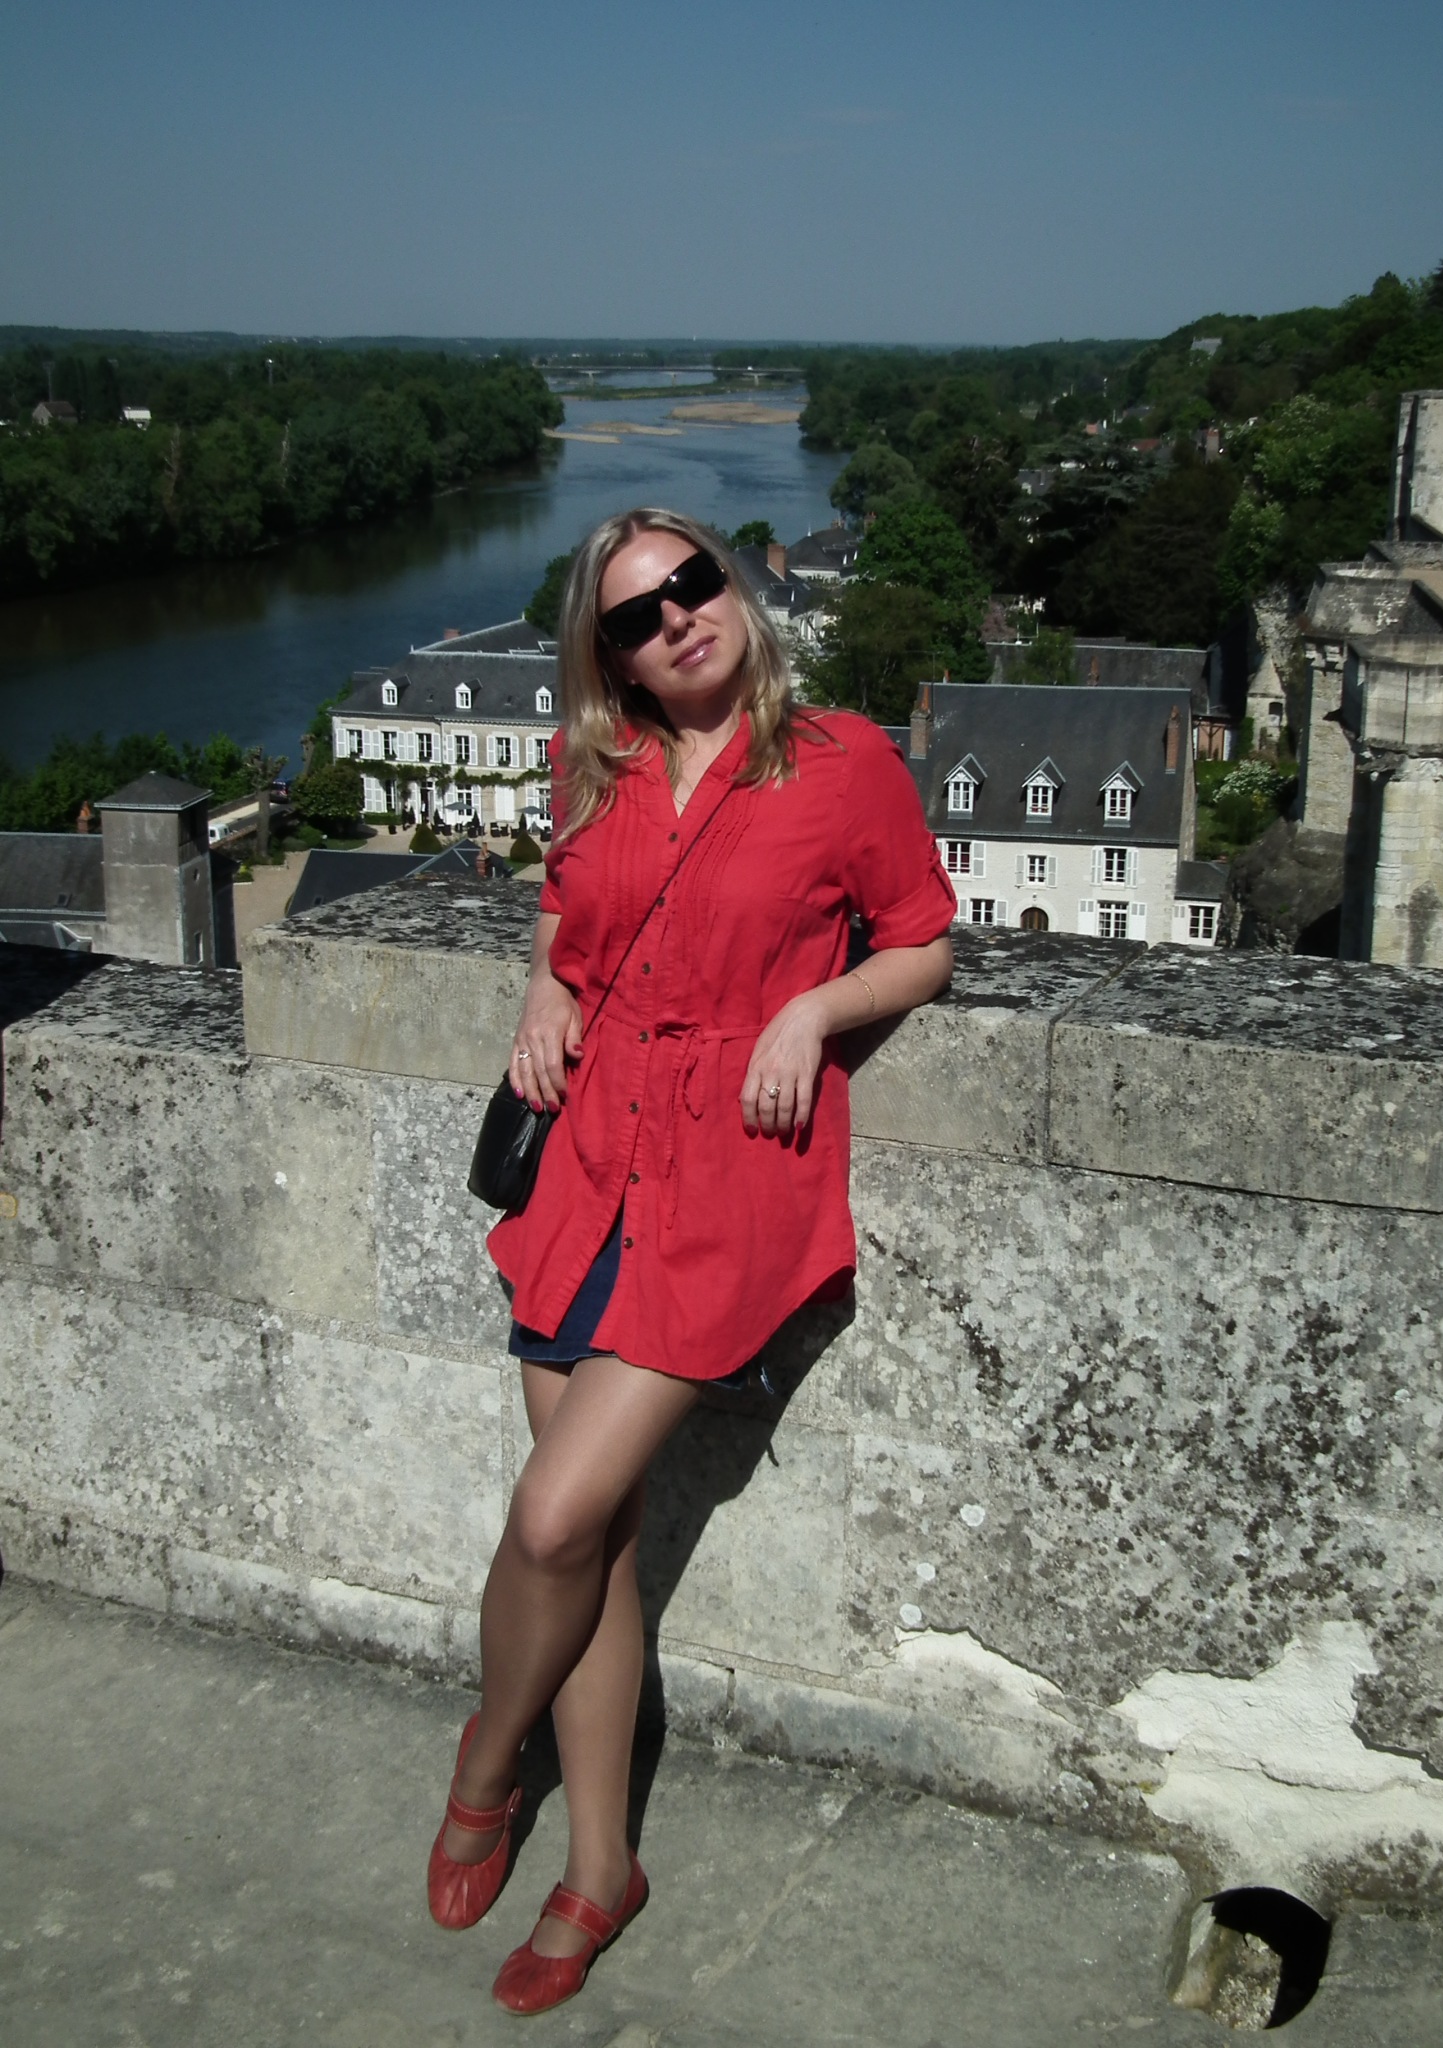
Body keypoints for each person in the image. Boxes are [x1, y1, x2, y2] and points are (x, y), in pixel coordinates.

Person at [425, 507, 956, 2016]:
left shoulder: (843, 761)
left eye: (694, 583)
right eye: (637, 617)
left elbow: (923, 942)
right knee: (594, 1544)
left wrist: (812, 1011)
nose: (678, 619)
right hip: (590, 1165)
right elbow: (567, 915)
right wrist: (544, 991)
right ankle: (602, 1867)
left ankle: (485, 1759)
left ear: (734, 584)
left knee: (552, 1512)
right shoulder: (591, 764)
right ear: (611, 659)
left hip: (726, 1180)